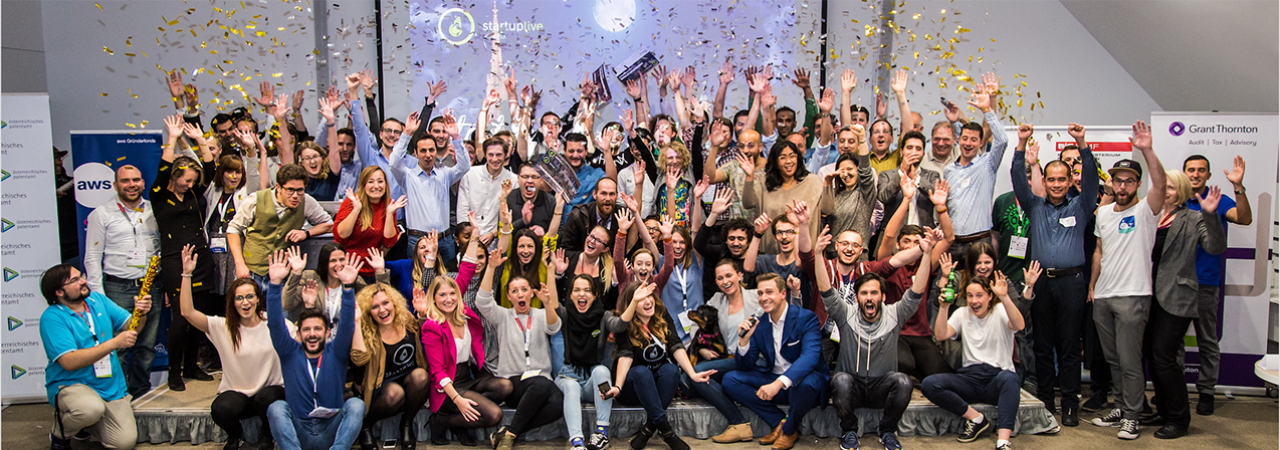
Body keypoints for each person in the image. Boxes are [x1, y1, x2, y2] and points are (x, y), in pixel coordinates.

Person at [818, 226, 942, 450]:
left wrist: (926, 254)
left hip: (881, 389)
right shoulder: (845, 313)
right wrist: (818, 254)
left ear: (883, 297)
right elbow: (826, 290)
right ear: (857, 297)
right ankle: (849, 430)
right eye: (864, 293)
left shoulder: (895, 314)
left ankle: (887, 431)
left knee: (903, 381)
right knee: (840, 380)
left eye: (874, 293)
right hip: (853, 389)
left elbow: (917, 291)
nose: (869, 298)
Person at [1086, 121, 1170, 439]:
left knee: (1130, 360)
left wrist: (1146, 149)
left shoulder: (1147, 211)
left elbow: (1161, 184)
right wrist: (1093, 286)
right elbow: (1099, 251)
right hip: (1104, 296)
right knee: (1113, 360)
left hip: (1133, 295)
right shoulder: (1104, 213)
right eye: (1118, 180)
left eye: (1129, 181)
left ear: (1137, 184)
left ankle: (1133, 415)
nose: (1122, 187)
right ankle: (1121, 407)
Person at [1010, 123, 1097, 426]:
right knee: (1042, 346)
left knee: (1070, 347)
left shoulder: (1082, 206)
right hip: (1042, 284)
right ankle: (1046, 401)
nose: (1057, 184)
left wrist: (1081, 143)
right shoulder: (1034, 206)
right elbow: (1017, 178)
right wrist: (1021, 144)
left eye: (1063, 179)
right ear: (1044, 181)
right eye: (1052, 179)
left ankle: (1070, 404)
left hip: (1072, 283)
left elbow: (1092, 177)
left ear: (1070, 180)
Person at [1141, 171, 1226, 440]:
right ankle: (1164, 411)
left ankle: (1179, 419)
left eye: (1171, 188)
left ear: (1182, 191)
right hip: (1147, 295)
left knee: (1164, 357)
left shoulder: (1193, 218)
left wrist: (1210, 215)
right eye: (1162, 186)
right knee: (1152, 356)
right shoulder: (1150, 215)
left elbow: (1215, 247)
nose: (1165, 191)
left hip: (1177, 295)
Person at [177, 246, 285, 450]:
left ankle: (266, 437)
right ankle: (235, 437)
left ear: (258, 298)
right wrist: (186, 274)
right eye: (239, 298)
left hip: (269, 395)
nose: (245, 302)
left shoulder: (274, 322)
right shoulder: (223, 327)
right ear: (233, 302)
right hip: (239, 395)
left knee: (269, 397)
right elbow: (187, 312)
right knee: (220, 408)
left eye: (250, 296)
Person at [41, 264, 151, 450]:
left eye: (81, 276)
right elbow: (69, 362)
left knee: (124, 443)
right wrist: (114, 343)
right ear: (59, 292)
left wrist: (141, 313)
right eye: (75, 280)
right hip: (72, 383)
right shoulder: (52, 318)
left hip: (108, 385)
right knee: (89, 409)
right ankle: (60, 433)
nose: (83, 281)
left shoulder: (97, 300)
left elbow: (133, 328)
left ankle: (84, 426)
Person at [265, 250, 366, 450]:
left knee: (356, 404)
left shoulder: (336, 352)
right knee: (276, 407)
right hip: (299, 428)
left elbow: (347, 325)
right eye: (307, 330)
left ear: (327, 332)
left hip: (331, 428)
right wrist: (274, 284)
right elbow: (275, 324)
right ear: (299, 333)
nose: (312, 334)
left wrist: (348, 287)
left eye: (318, 329)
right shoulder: (288, 352)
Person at [722, 271, 829, 450]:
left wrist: (778, 383)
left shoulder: (806, 318)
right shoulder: (760, 322)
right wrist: (744, 341)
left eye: (769, 292)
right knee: (730, 379)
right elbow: (745, 365)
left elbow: (810, 357)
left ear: (783, 293)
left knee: (808, 382)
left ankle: (789, 430)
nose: (764, 298)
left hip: (803, 383)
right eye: (760, 293)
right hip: (773, 379)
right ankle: (778, 421)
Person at [83, 165, 163, 399]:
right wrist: (98, 296)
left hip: (151, 287)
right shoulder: (101, 214)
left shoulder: (154, 210)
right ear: (115, 185)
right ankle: (117, 395)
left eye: (136, 180)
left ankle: (141, 395)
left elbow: (163, 249)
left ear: (143, 183)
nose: (131, 185)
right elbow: (92, 256)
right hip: (117, 288)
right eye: (125, 181)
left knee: (146, 346)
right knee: (118, 345)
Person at [923, 272, 1027, 450]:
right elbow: (940, 335)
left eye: (979, 295)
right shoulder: (962, 313)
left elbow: (1019, 325)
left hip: (997, 377)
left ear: (989, 296)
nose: (974, 301)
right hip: (970, 378)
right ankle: (976, 419)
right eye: (970, 296)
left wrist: (1004, 297)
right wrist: (944, 307)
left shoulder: (1000, 310)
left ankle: (1002, 442)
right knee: (929, 383)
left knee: (1011, 378)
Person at [1181, 154, 1252, 415]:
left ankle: (1206, 392)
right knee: (1173, 342)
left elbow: (1243, 218)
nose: (1195, 174)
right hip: (1176, 284)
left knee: (1207, 340)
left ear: (1208, 175)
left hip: (1206, 283)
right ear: (1184, 173)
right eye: (1191, 169)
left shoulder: (1219, 200)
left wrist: (1238, 186)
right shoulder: (1176, 200)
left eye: (1201, 170)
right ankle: (1174, 392)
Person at [474, 248, 565, 450]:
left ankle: (509, 432)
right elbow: (482, 302)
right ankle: (511, 435)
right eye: (514, 291)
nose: (520, 294)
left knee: (558, 403)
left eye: (524, 289)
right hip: (514, 384)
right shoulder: (502, 316)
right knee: (542, 384)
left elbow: (554, 327)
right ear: (508, 296)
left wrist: (547, 304)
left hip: (540, 383)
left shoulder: (540, 315)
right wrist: (491, 267)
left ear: (532, 292)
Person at [157, 115, 219, 391]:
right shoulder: (159, 195)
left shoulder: (194, 193)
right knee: (180, 319)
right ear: (174, 177)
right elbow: (162, 169)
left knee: (198, 317)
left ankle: (192, 366)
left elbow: (210, 167)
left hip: (201, 258)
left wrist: (200, 141)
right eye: (186, 180)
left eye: (193, 181)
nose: (190, 185)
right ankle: (175, 371)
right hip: (174, 261)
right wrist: (172, 138)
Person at [612, 281, 714, 450]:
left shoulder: (661, 315)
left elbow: (676, 345)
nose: (648, 301)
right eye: (641, 299)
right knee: (641, 372)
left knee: (672, 370)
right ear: (632, 304)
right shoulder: (625, 324)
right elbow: (625, 356)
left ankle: (648, 429)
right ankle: (667, 432)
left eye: (649, 296)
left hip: (656, 388)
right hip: (632, 387)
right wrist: (617, 386)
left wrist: (693, 374)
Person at [419, 274, 509, 446]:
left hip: (466, 377)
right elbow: (438, 371)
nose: (448, 299)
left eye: (452, 293)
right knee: (494, 415)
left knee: (505, 386)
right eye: (442, 295)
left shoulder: (464, 315)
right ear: (434, 299)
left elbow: (467, 273)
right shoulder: (431, 326)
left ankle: (458, 420)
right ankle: (441, 421)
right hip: (446, 387)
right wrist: (457, 400)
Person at [350, 283, 430, 450]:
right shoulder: (366, 330)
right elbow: (358, 360)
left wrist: (422, 315)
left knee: (421, 376)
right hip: (382, 385)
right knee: (395, 392)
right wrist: (356, 322)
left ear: (394, 302)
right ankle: (366, 425)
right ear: (368, 311)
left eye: (385, 303)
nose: (382, 310)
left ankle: (406, 424)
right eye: (374, 307)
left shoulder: (404, 318)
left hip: (408, 376)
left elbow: (421, 332)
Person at [942, 74, 1009, 266]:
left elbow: (1002, 140)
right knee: (948, 284)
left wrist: (988, 110)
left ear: (981, 143)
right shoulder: (948, 170)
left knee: (980, 284)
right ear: (959, 140)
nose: (968, 143)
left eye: (973, 140)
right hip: (953, 242)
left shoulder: (987, 164)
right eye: (965, 138)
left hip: (979, 242)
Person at [556, 275, 623, 450]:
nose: (582, 294)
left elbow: (620, 325)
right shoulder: (565, 314)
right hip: (568, 376)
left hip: (590, 381)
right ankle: (577, 442)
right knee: (571, 386)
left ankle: (601, 432)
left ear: (595, 295)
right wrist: (550, 272)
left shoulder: (603, 316)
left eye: (587, 290)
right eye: (576, 290)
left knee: (602, 370)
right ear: (570, 295)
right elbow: (552, 305)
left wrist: (635, 301)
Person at [696, 260, 759, 443]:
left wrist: (796, 294)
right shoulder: (717, 300)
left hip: (750, 357)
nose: (725, 281)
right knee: (686, 382)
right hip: (727, 359)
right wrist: (701, 348)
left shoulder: (755, 297)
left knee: (697, 373)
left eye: (729, 275)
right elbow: (696, 325)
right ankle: (739, 420)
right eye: (720, 278)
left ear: (739, 276)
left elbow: (781, 309)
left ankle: (738, 421)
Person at [388, 111, 470, 250]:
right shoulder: (407, 176)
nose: (428, 155)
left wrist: (456, 136)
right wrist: (407, 133)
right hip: (418, 240)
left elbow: (464, 166)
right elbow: (394, 163)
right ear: (415, 153)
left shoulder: (444, 174)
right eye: (423, 151)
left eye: (431, 150)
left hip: (445, 240)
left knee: (449, 266)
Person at [741, 140, 825, 254]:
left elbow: (828, 209)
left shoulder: (813, 181)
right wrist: (749, 176)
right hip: (772, 254)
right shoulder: (766, 183)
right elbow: (748, 203)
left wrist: (828, 184)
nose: (788, 161)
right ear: (775, 161)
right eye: (782, 157)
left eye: (792, 156)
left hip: (806, 254)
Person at [335, 166, 406, 280]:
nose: (376, 186)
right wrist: (356, 210)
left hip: (373, 270)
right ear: (363, 185)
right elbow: (341, 236)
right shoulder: (352, 201)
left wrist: (389, 213)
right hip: (347, 269)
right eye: (371, 182)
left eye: (380, 181)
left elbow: (388, 243)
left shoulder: (389, 205)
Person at [204, 155, 252, 297]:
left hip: (235, 245)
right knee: (213, 292)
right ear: (221, 173)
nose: (234, 176)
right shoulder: (212, 190)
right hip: (213, 246)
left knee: (233, 290)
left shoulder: (245, 193)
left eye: (238, 172)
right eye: (229, 172)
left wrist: (252, 152)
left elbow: (254, 175)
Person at [692, 190, 755, 295]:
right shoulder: (721, 253)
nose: (735, 243)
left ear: (748, 242)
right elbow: (699, 244)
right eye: (731, 238)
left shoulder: (758, 261)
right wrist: (713, 214)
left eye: (740, 239)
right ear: (726, 240)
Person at [877, 131, 941, 232]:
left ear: (923, 154)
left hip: (923, 234)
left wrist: (915, 178)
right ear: (901, 152)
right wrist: (902, 172)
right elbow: (884, 197)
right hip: (894, 235)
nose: (913, 152)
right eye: (909, 148)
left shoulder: (932, 176)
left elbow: (936, 196)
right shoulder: (887, 175)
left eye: (918, 149)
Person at [458, 137, 519, 238]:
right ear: (484, 154)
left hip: (498, 237)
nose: (494, 159)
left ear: (506, 155)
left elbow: (513, 215)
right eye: (491, 154)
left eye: (499, 155)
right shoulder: (470, 174)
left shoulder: (513, 180)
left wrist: (493, 234)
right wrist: (469, 235)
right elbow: (462, 209)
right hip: (470, 235)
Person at [562, 178, 622, 253]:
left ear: (617, 195)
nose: (608, 198)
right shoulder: (579, 215)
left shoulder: (622, 215)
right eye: (603, 193)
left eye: (612, 194)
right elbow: (566, 251)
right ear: (594, 194)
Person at [507, 163, 558, 235]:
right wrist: (523, 221)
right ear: (518, 178)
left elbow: (560, 232)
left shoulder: (550, 201)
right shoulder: (509, 198)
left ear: (541, 180)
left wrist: (544, 233)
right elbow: (502, 232)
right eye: (525, 176)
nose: (530, 181)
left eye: (534, 177)